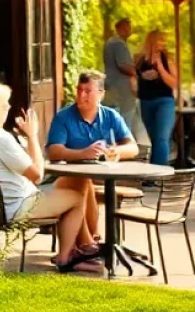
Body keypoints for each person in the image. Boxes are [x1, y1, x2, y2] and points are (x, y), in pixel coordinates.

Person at [0, 80, 101, 273]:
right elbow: (37, 175)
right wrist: (33, 136)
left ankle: (85, 246)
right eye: (4, 104)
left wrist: (25, 146)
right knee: (76, 198)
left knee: (73, 182)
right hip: (19, 206)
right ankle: (65, 257)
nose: (8, 108)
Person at [46, 70, 138, 245]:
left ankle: (88, 244)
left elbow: (132, 147)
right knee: (82, 182)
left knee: (85, 183)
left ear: (101, 94)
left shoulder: (111, 117)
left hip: (105, 179)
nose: (81, 95)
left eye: (87, 91)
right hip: (67, 179)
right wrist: (83, 154)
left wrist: (116, 151)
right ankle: (92, 241)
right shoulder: (63, 117)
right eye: (79, 89)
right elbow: (54, 151)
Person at [135, 30, 178, 166]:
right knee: (154, 140)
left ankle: (158, 176)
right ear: (152, 41)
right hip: (146, 102)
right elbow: (134, 79)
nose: (163, 43)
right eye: (161, 40)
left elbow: (174, 83)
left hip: (164, 102)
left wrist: (160, 67)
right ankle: (153, 176)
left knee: (161, 138)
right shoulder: (139, 60)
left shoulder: (167, 59)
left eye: (164, 40)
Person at [103, 18, 143, 140]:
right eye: (128, 27)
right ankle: (125, 148)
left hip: (113, 88)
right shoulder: (118, 44)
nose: (129, 31)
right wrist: (138, 74)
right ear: (121, 28)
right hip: (121, 91)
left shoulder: (111, 42)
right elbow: (123, 66)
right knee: (124, 122)